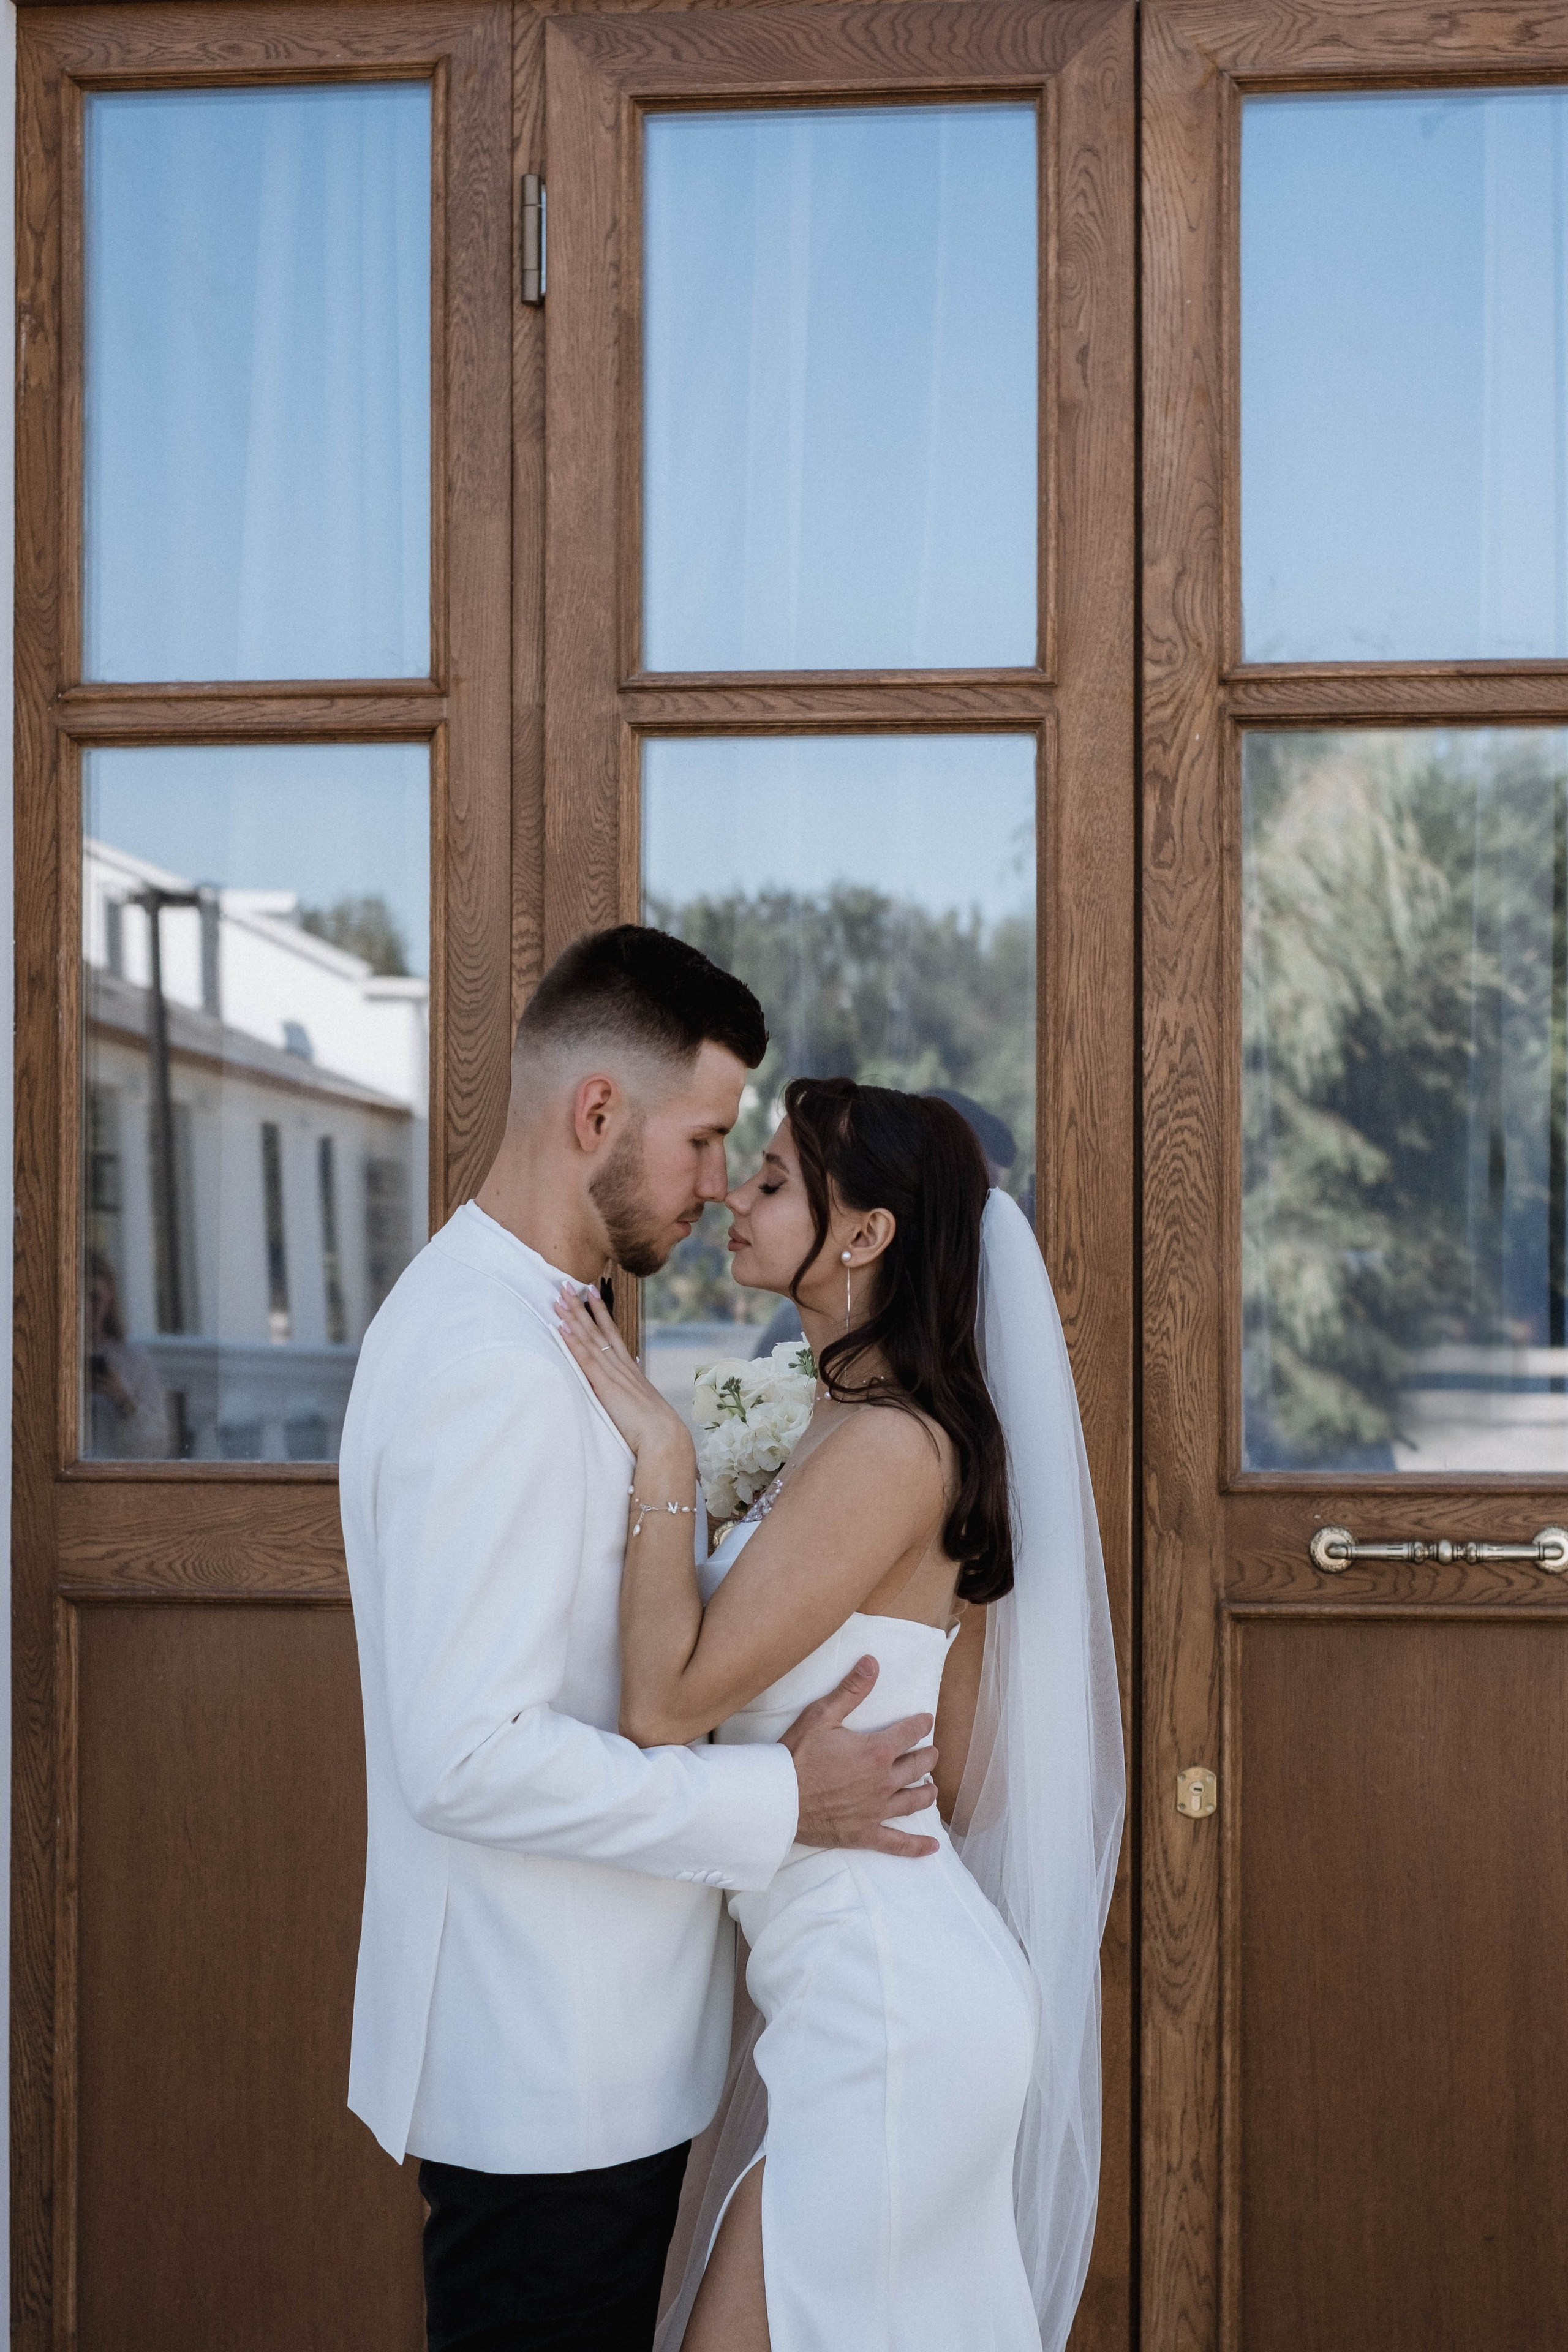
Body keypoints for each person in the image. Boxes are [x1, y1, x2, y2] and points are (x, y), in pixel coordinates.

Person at [341, 929, 943, 2352]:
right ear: (595, 1114)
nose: (719, 1185)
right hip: (547, 2064)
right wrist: (784, 1797)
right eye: (705, 1139)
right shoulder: (483, 1359)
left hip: (606, 2050)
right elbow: (464, 1754)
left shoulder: (545, 1324)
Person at [556, 1076, 1123, 2351]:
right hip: (869, 1993)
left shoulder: (887, 1450)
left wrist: (656, 1459)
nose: (731, 1201)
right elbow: (958, 1767)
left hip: (888, 2007)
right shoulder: (841, 1424)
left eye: (768, 1182)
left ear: (862, 1235)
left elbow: (662, 1702)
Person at [85, 1248, 170, 1458]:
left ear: (109, 1300)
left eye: (95, 1298)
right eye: (80, 1297)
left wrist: (123, 1400)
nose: (87, 1308)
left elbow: (157, 1446)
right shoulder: (53, 1358)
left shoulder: (132, 1358)